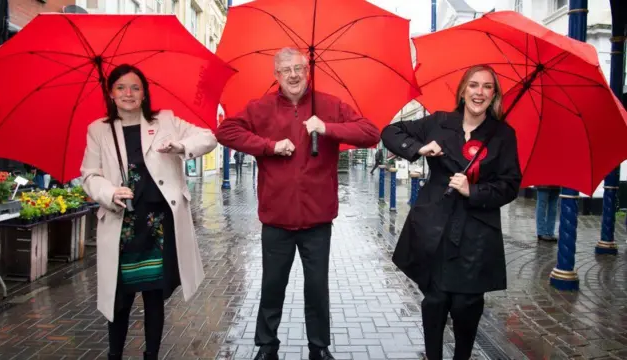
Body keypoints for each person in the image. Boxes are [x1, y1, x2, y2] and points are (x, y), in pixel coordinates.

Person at [215, 47, 380, 360]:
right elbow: (226, 131)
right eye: (285, 69)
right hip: (276, 217)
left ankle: (318, 347)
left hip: (317, 219)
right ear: (276, 75)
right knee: (272, 284)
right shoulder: (260, 107)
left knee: (317, 288)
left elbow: (370, 133)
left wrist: (327, 128)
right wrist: (269, 146)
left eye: (298, 69)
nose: (293, 75)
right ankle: (267, 345)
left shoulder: (330, 105)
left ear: (308, 71)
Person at [381, 65, 521, 360]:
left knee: (465, 305)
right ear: (462, 90)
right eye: (473, 85)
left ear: (494, 94)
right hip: (435, 226)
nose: (479, 92)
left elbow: (510, 185)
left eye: (486, 87)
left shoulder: (502, 134)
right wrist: (419, 147)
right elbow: (390, 132)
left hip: (476, 232)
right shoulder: (440, 122)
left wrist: (474, 191)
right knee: (435, 300)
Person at [80, 64, 217, 360]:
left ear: (144, 94)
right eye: (120, 87)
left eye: (135, 87)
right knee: (119, 297)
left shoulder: (165, 121)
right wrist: (109, 191)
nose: (128, 93)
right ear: (111, 93)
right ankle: (114, 354)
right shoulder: (98, 129)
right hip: (122, 224)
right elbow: (89, 175)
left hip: (157, 224)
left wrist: (181, 146)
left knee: (154, 295)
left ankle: (151, 354)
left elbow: (208, 138)